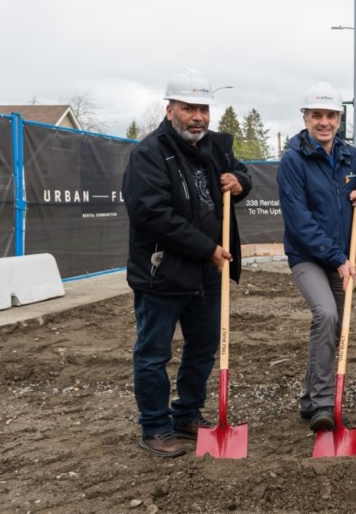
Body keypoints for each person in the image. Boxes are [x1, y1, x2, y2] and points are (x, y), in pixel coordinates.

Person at [123, 68, 253, 458]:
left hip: (206, 272)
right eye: (188, 108)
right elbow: (153, 214)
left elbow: (240, 172)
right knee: (154, 352)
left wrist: (240, 182)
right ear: (170, 110)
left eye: (203, 109)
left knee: (204, 346)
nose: (197, 116)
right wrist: (207, 249)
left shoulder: (215, 146)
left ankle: (187, 414)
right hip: (162, 271)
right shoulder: (148, 154)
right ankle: (155, 426)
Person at [277, 81, 356, 432]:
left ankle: (309, 400)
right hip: (309, 257)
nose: (324, 122)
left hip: (340, 256)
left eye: (330, 115)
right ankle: (322, 404)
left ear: (339, 118)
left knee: (333, 328)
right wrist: (336, 258)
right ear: (305, 118)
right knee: (326, 314)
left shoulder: (350, 156)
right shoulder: (293, 160)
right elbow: (299, 222)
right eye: (316, 115)